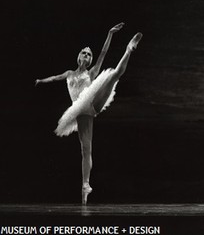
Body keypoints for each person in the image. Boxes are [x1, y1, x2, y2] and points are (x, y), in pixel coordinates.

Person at [35, 23, 143, 205]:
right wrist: (40, 80)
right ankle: (85, 185)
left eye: (89, 54)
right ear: (78, 57)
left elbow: (103, 53)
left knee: (115, 75)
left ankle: (129, 49)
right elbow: (55, 78)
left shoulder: (92, 71)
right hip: (80, 111)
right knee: (86, 150)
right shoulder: (69, 73)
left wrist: (110, 33)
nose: (87, 55)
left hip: (93, 102)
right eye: (84, 53)